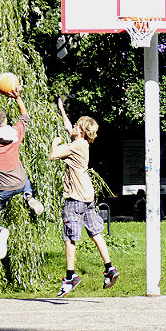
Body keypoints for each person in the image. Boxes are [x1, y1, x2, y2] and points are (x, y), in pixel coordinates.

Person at [50, 97, 119, 297]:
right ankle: (110, 268)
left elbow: (53, 155)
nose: (72, 126)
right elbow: (67, 126)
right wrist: (62, 108)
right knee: (95, 232)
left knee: (69, 237)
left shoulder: (74, 147)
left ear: (81, 130)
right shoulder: (81, 144)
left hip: (75, 197)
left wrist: (55, 143)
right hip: (87, 196)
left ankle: (70, 277)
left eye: (77, 125)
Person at [0, 78, 44, 260]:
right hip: (19, 182)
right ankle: (29, 197)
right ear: (6, 121)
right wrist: (18, 98)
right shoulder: (15, 134)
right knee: (23, 176)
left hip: (2, 189)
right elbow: (24, 117)